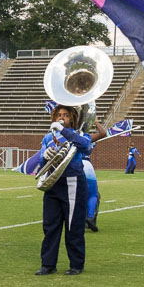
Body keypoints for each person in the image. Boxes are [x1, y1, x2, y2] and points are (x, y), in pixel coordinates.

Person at [35, 105, 93, 276]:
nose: (61, 118)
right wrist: (45, 155)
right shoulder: (48, 137)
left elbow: (86, 147)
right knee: (50, 225)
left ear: (72, 118)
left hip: (73, 181)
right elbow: (40, 162)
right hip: (53, 182)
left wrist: (63, 130)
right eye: (59, 115)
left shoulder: (79, 135)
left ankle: (76, 264)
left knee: (73, 225)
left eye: (66, 115)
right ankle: (48, 264)